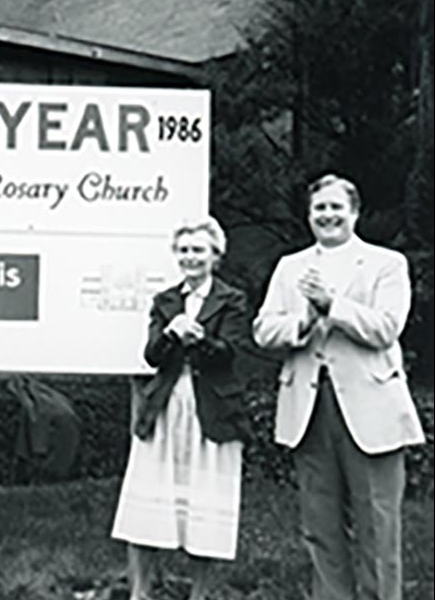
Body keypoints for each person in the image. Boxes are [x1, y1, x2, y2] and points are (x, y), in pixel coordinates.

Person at [252, 173, 425, 600]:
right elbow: (263, 329)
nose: (327, 215)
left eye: (335, 207)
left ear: (355, 212)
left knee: (377, 524)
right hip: (309, 409)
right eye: (319, 209)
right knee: (320, 525)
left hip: (371, 408)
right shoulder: (290, 267)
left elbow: (387, 328)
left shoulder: (386, 264)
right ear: (309, 216)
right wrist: (303, 323)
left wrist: (334, 305)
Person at [112, 216, 251, 600]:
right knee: (145, 507)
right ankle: (140, 593)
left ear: (215, 255)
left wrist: (201, 337)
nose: (191, 257)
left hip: (211, 408)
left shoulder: (232, 299)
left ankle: (200, 595)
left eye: (199, 250)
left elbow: (231, 355)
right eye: (185, 250)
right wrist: (172, 332)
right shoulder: (165, 301)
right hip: (167, 405)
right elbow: (152, 356)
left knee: (205, 506)